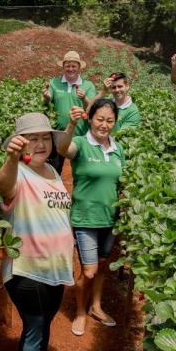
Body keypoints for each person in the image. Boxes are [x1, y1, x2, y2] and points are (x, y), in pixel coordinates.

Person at [0, 113, 75, 351]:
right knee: (34, 324)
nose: (40, 144)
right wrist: (11, 159)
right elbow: (3, 186)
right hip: (27, 267)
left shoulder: (52, 172)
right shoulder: (17, 173)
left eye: (45, 138)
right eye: (33, 139)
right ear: (21, 144)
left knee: (47, 320)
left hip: (55, 265)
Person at [56, 100, 125, 337]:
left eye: (109, 120)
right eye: (100, 119)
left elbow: (121, 181)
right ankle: (81, 312)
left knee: (102, 266)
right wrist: (71, 125)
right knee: (89, 271)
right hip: (86, 218)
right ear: (90, 118)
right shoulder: (81, 144)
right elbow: (63, 150)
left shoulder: (118, 149)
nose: (104, 125)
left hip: (110, 218)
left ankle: (96, 307)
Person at [43, 51, 97, 173]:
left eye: (74, 66)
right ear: (63, 67)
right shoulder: (54, 83)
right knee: (54, 170)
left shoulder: (88, 85)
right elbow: (47, 98)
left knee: (82, 172)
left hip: (81, 136)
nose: (70, 69)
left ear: (79, 68)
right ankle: (54, 191)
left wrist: (84, 98)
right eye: (68, 66)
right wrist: (46, 97)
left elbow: (93, 108)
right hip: (58, 135)